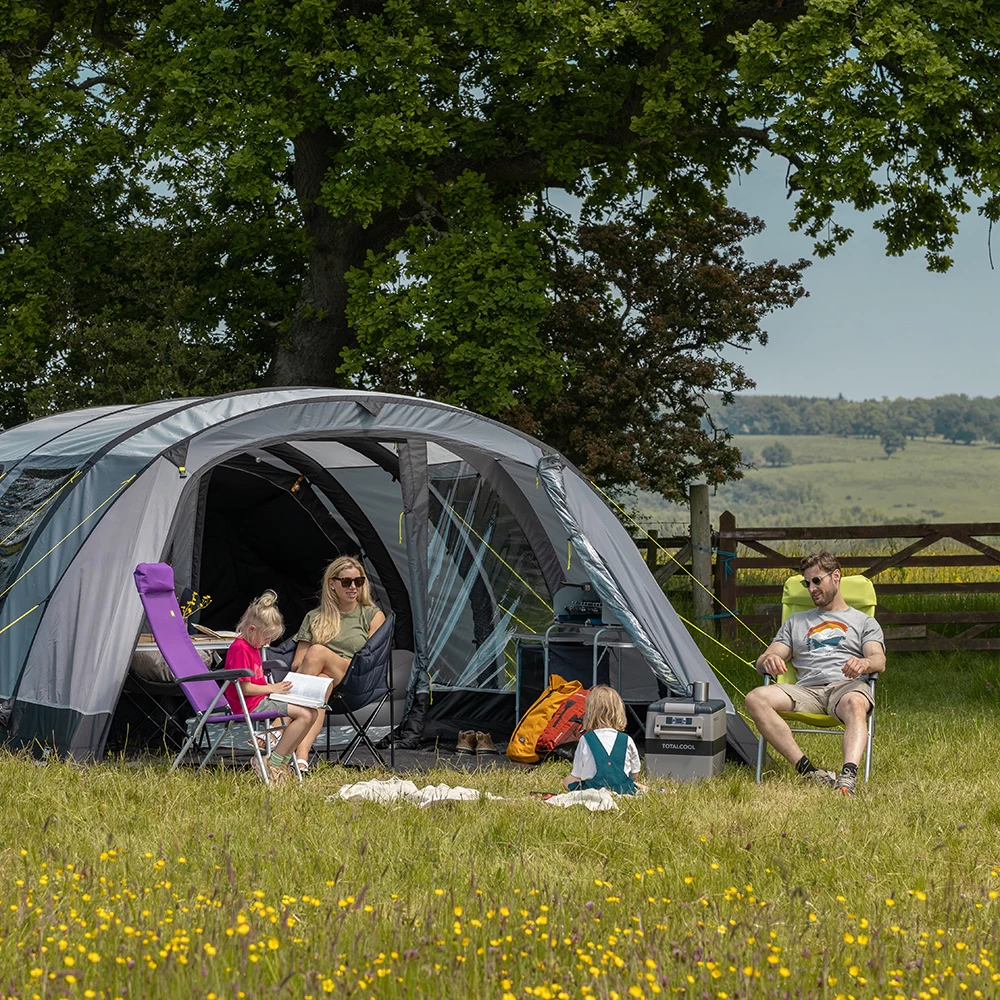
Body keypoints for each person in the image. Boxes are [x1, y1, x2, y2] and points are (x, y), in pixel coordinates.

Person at [745, 551, 886, 796]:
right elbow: (764, 659)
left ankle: (847, 778)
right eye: (806, 583)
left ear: (836, 577)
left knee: (855, 702)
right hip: (806, 691)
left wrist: (864, 664)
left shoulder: (863, 622)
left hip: (846, 687)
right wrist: (770, 660)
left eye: (817, 581)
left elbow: (879, 659)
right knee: (755, 698)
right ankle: (810, 772)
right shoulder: (796, 622)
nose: (811, 588)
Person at [287, 556, 387, 768]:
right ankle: (301, 758)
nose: (353, 587)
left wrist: (319, 658)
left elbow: (371, 659)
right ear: (332, 584)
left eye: (358, 582)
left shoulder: (372, 615)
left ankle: (278, 727)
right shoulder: (314, 617)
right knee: (320, 684)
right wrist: (315, 670)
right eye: (346, 582)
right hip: (324, 681)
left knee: (317, 651)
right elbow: (297, 663)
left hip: (355, 678)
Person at [223, 590, 322, 785]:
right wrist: (272, 688)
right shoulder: (240, 649)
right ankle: (273, 762)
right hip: (251, 704)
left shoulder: (251, 646)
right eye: (266, 638)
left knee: (313, 713)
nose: (268, 644)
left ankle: (281, 761)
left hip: (262, 700)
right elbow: (245, 689)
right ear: (252, 629)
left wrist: (274, 689)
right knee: (304, 715)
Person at [563, 685, 641, 795]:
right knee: (629, 782)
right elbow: (635, 774)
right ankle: (640, 788)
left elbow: (577, 774)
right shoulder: (627, 739)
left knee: (567, 780)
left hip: (593, 790)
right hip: (623, 790)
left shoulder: (585, 739)